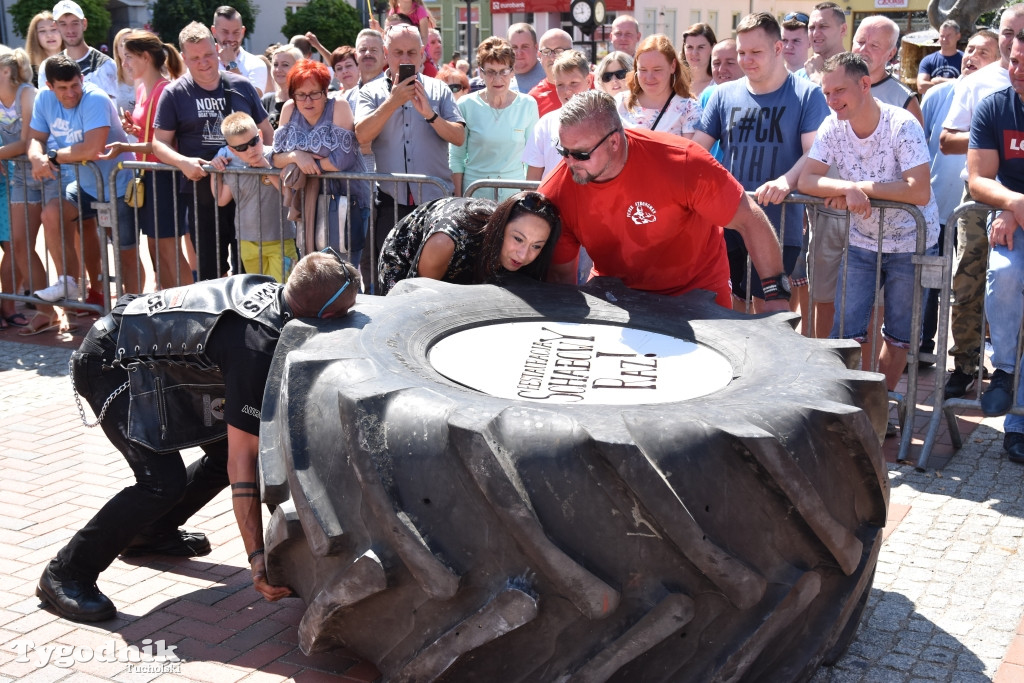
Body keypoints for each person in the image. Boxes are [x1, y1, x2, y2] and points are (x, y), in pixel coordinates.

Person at [35, 250, 359, 623]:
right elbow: (243, 461)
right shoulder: (256, 344)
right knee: (160, 482)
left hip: (149, 358)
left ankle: (151, 531)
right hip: (111, 362)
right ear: (329, 316)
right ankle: (65, 573)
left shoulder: (274, 295)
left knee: (216, 461)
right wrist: (256, 558)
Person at [539, 90, 789, 312]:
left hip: (697, 292)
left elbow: (750, 220)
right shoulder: (558, 189)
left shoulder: (682, 161)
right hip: (617, 295)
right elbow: (560, 277)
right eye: (563, 151)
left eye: (581, 154)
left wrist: (775, 296)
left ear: (614, 141)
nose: (570, 162)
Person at [797, 52, 939, 394]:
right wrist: (846, 188)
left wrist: (860, 190)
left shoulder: (902, 124)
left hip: (912, 243)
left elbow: (918, 190)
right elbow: (806, 180)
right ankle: (854, 401)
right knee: (846, 331)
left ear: (864, 84)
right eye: (826, 93)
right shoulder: (833, 126)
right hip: (862, 241)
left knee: (901, 335)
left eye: (839, 91)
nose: (831, 100)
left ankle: (882, 403)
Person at [693, 12, 828, 313]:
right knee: (731, 308)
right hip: (728, 220)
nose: (746, 60)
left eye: (755, 52)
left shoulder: (807, 95)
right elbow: (695, 151)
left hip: (779, 223)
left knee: (772, 311)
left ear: (778, 49)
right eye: (741, 52)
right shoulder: (722, 95)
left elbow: (815, 151)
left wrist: (786, 181)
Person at [938, 5, 1024, 399]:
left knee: (1005, 280)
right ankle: (965, 365)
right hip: (981, 195)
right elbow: (947, 139)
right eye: (1007, 32)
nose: (1011, 42)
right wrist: (987, 135)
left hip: (1010, 197)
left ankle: (1009, 372)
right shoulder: (982, 83)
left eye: (1018, 34)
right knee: (967, 281)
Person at [151, 22, 273, 282]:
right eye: (195, 58)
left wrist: (268, 166)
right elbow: (158, 143)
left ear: (217, 49)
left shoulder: (242, 85)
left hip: (248, 189)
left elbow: (267, 131)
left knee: (249, 266)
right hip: (202, 190)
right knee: (210, 268)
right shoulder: (174, 93)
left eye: (208, 55)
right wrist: (183, 162)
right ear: (184, 58)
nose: (204, 63)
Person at [27, 54, 139, 323]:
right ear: (50, 86)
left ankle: (134, 313)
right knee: (52, 213)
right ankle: (68, 281)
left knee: (126, 251)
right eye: (62, 88)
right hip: (87, 185)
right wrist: (35, 158)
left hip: (119, 184)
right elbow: (34, 139)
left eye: (75, 85)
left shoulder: (96, 98)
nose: (70, 93)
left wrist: (51, 157)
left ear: (82, 79)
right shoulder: (43, 99)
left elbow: (92, 148)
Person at [354, 24, 465, 287]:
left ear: (423, 54)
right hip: (391, 203)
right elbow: (361, 135)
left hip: (434, 202)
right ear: (386, 54)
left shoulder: (439, 90)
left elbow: (459, 137)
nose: (405, 60)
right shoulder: (370, 92)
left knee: (434, 281)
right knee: (390, 279)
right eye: (398, 52)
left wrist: (430, 114)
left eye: (412, 53)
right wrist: (392, 101)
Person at [918, 30, 999, 365]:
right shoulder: (937, 96)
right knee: (936, 280)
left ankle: (996, 352)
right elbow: (926, 145)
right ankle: (926, 345)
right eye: (970, 50)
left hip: (981, 202)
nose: (971, 57)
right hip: (937, 208)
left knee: (991, 280)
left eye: (983, 52)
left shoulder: (1003, 96)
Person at [962, 29, 1024, 461]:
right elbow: (978, 176)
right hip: (1012, 221)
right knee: (1003, 275)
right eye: (1013, 60)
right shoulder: (995, 106)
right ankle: (1004, 372)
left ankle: (1018, 422)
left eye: (1023, 63)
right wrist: (1011, 204)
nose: (1014, 71)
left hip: (1014, 215)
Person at [101, 31, 191, 292]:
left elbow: (166, 143)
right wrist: (136, 130)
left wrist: (126, 145)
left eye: (128, 57)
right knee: (155, 247)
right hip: (149, 175)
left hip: (164, 177)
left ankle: (190, 305)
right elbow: (153, 136)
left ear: (145, 56)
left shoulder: (165, 90)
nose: (124, 63)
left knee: (168, 248)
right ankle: (167, 306)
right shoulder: (142, 88)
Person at [271, 60, 370, 262]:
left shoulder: (339, 106)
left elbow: (341, 160)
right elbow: (275, 157)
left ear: (325, 91)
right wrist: (296, 156)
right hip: (306, 203)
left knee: (343, 267)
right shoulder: (289, 109)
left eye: (315, 93)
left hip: (346, 200)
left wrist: (307, 167)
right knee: (312, 269)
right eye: (301, 94)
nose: (308, 101)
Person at [378, 190, 561, 294]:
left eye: (536, 246)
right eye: (518, 239)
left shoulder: (523, 253)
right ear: (501, 228)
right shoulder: (445, 242)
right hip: (407, 253)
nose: (523, 254)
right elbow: (414, 297)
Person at [211, 112, 297, 282]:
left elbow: (289, 193)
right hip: (247, 241)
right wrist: (215, 171)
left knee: (283, 293)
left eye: (253, 142)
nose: (250, 150)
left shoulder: (275, 156)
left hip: (280, 240)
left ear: (260, 135)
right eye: (242, 148)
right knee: (259, 292)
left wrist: (266, 169)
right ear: (231, 150)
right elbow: (221, 199)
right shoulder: (232, 163)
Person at [449, 38, 538, 199]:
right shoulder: (466, 105)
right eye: (490, 71)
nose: (498, 78)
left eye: (503, 71)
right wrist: (458, 198)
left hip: (514, 196)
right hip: (475, 195)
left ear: (512, 71)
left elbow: (533, 156)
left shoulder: (528, 105)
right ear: (481, 72)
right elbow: (457, 156)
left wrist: (529, 196)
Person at [0, 47, 48, 317]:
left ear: (5, 71)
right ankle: (45, 313)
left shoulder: (27, 93)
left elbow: (27, 141)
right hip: (18, 176)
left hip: (43, 174)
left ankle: (57, 309)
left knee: (57, 244)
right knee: (19, 245)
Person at [615, 34, 700, 139]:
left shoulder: (689, 109)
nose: (649, 77)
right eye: (643, 70)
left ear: (673, 66)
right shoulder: (619, 103)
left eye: (657, 70)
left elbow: (691, 153)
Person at [525, 50, 592, 180]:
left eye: (574, 83)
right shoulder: (545, 124)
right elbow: (533, 178)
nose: (567, 91)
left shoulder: (605, 120)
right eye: (560, 85)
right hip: (553, 199)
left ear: (588, 81)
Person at [851, 15, 923, 125]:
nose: (863, 50)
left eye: (874, 45)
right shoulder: (833, 88)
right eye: (860, 42)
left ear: (891, 54)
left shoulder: (904, 100)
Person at [41, 0, 116, 100]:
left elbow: (110, 110)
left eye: (75, 23)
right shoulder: (47, 68)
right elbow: (47, 108)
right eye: (63, 24)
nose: (70, 30)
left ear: (84, 24)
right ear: (56, 26)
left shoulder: (105, 65)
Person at [211, 5, 267, 96]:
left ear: (242, 31)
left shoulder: (256, 64)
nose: (231, 38)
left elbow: (251, 98)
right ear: (214, 31)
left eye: (236, 32)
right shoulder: (204, 63)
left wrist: (231, 63)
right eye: (225, 32)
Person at [526, 29, 574, 117]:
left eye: (559, 51)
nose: (552, 57)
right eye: (546, 52)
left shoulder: (593, 84)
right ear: (539, 56)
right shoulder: (533, 99)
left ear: (571, 53)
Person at [803, 1, 847, 83]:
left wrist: (815, 77)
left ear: (843, 30)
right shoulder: (800, 76)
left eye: (823, 26)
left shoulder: (856, 71)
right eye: (811, 27)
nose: (815, 33)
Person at [918, 20, 963, 95]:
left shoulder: (965, 59)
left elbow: (968, 84)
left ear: (958, 36)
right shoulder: (928, 60)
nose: (945, 39)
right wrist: (954, 82)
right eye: (942, 36)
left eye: (949, 36)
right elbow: (921, 87)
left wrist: (938, 81)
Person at [262, 45, 302, 129]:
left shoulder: (306, 99)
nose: (278, 69)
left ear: (298, 67)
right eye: (275, 64)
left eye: (285, 65)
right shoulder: (266, 101)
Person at [26, 11, 63, 87]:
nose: (49, 35)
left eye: (53, 29)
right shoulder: (28, 73)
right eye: (42, 31)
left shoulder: (78, 61)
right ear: (35, 37)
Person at [681, 23, 716, 98]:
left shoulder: (719, 85)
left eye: (701, 47)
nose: (694, 53)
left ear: (713, 47)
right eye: (689, 47)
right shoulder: (674, 83)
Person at [508, 23, 545, 93]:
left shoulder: (551, 77)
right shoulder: (498, 77)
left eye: (525, 47)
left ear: (536, 48)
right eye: (514, 47)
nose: (519, 52)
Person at [110, 28, 136, 122]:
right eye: (122, 44)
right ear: (116, 49)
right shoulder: (110, 78)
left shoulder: (146, 76)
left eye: (130, 44)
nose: (127, 48)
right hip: (120, 133)